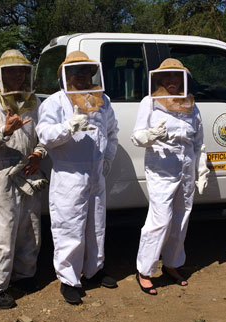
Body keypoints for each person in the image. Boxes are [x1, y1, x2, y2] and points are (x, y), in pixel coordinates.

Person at [36, 51, 119, 305]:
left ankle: (94, 270)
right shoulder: (54, 102)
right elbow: (45, 135)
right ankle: (69, 279)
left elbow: (112, 130)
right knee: (68, 227)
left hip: (95, 173)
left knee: (96, 225)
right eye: (76, 71)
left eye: (86, 71)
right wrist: (68, 127)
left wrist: (108, 158)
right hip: (69, 174)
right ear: (66, 74)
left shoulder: (102, 100)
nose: (81, 75)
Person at [0, 49, 47, 309]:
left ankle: (24, 275)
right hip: (3, 175)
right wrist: (4, 131)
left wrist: (39, 154)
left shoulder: (33, 102)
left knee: (30, 228)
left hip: (29, 170)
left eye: (21, 71)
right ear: (0, 75)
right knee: (2, 231)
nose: (16, 76)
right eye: (11, 71)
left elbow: (42, 136)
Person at [131, 58, 208, 295]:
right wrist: (151, 135)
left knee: (181, 219)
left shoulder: (190, 105)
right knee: (160, 219)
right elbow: (137, 136)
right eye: (168, 76)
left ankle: (172, 264)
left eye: (177, 76)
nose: (172, 81)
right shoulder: (150, 102)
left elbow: (199, 142)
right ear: (160, 79)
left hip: (186, 167)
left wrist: (201, 170)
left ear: (184, 78)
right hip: (161, 167)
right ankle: (145, 270)